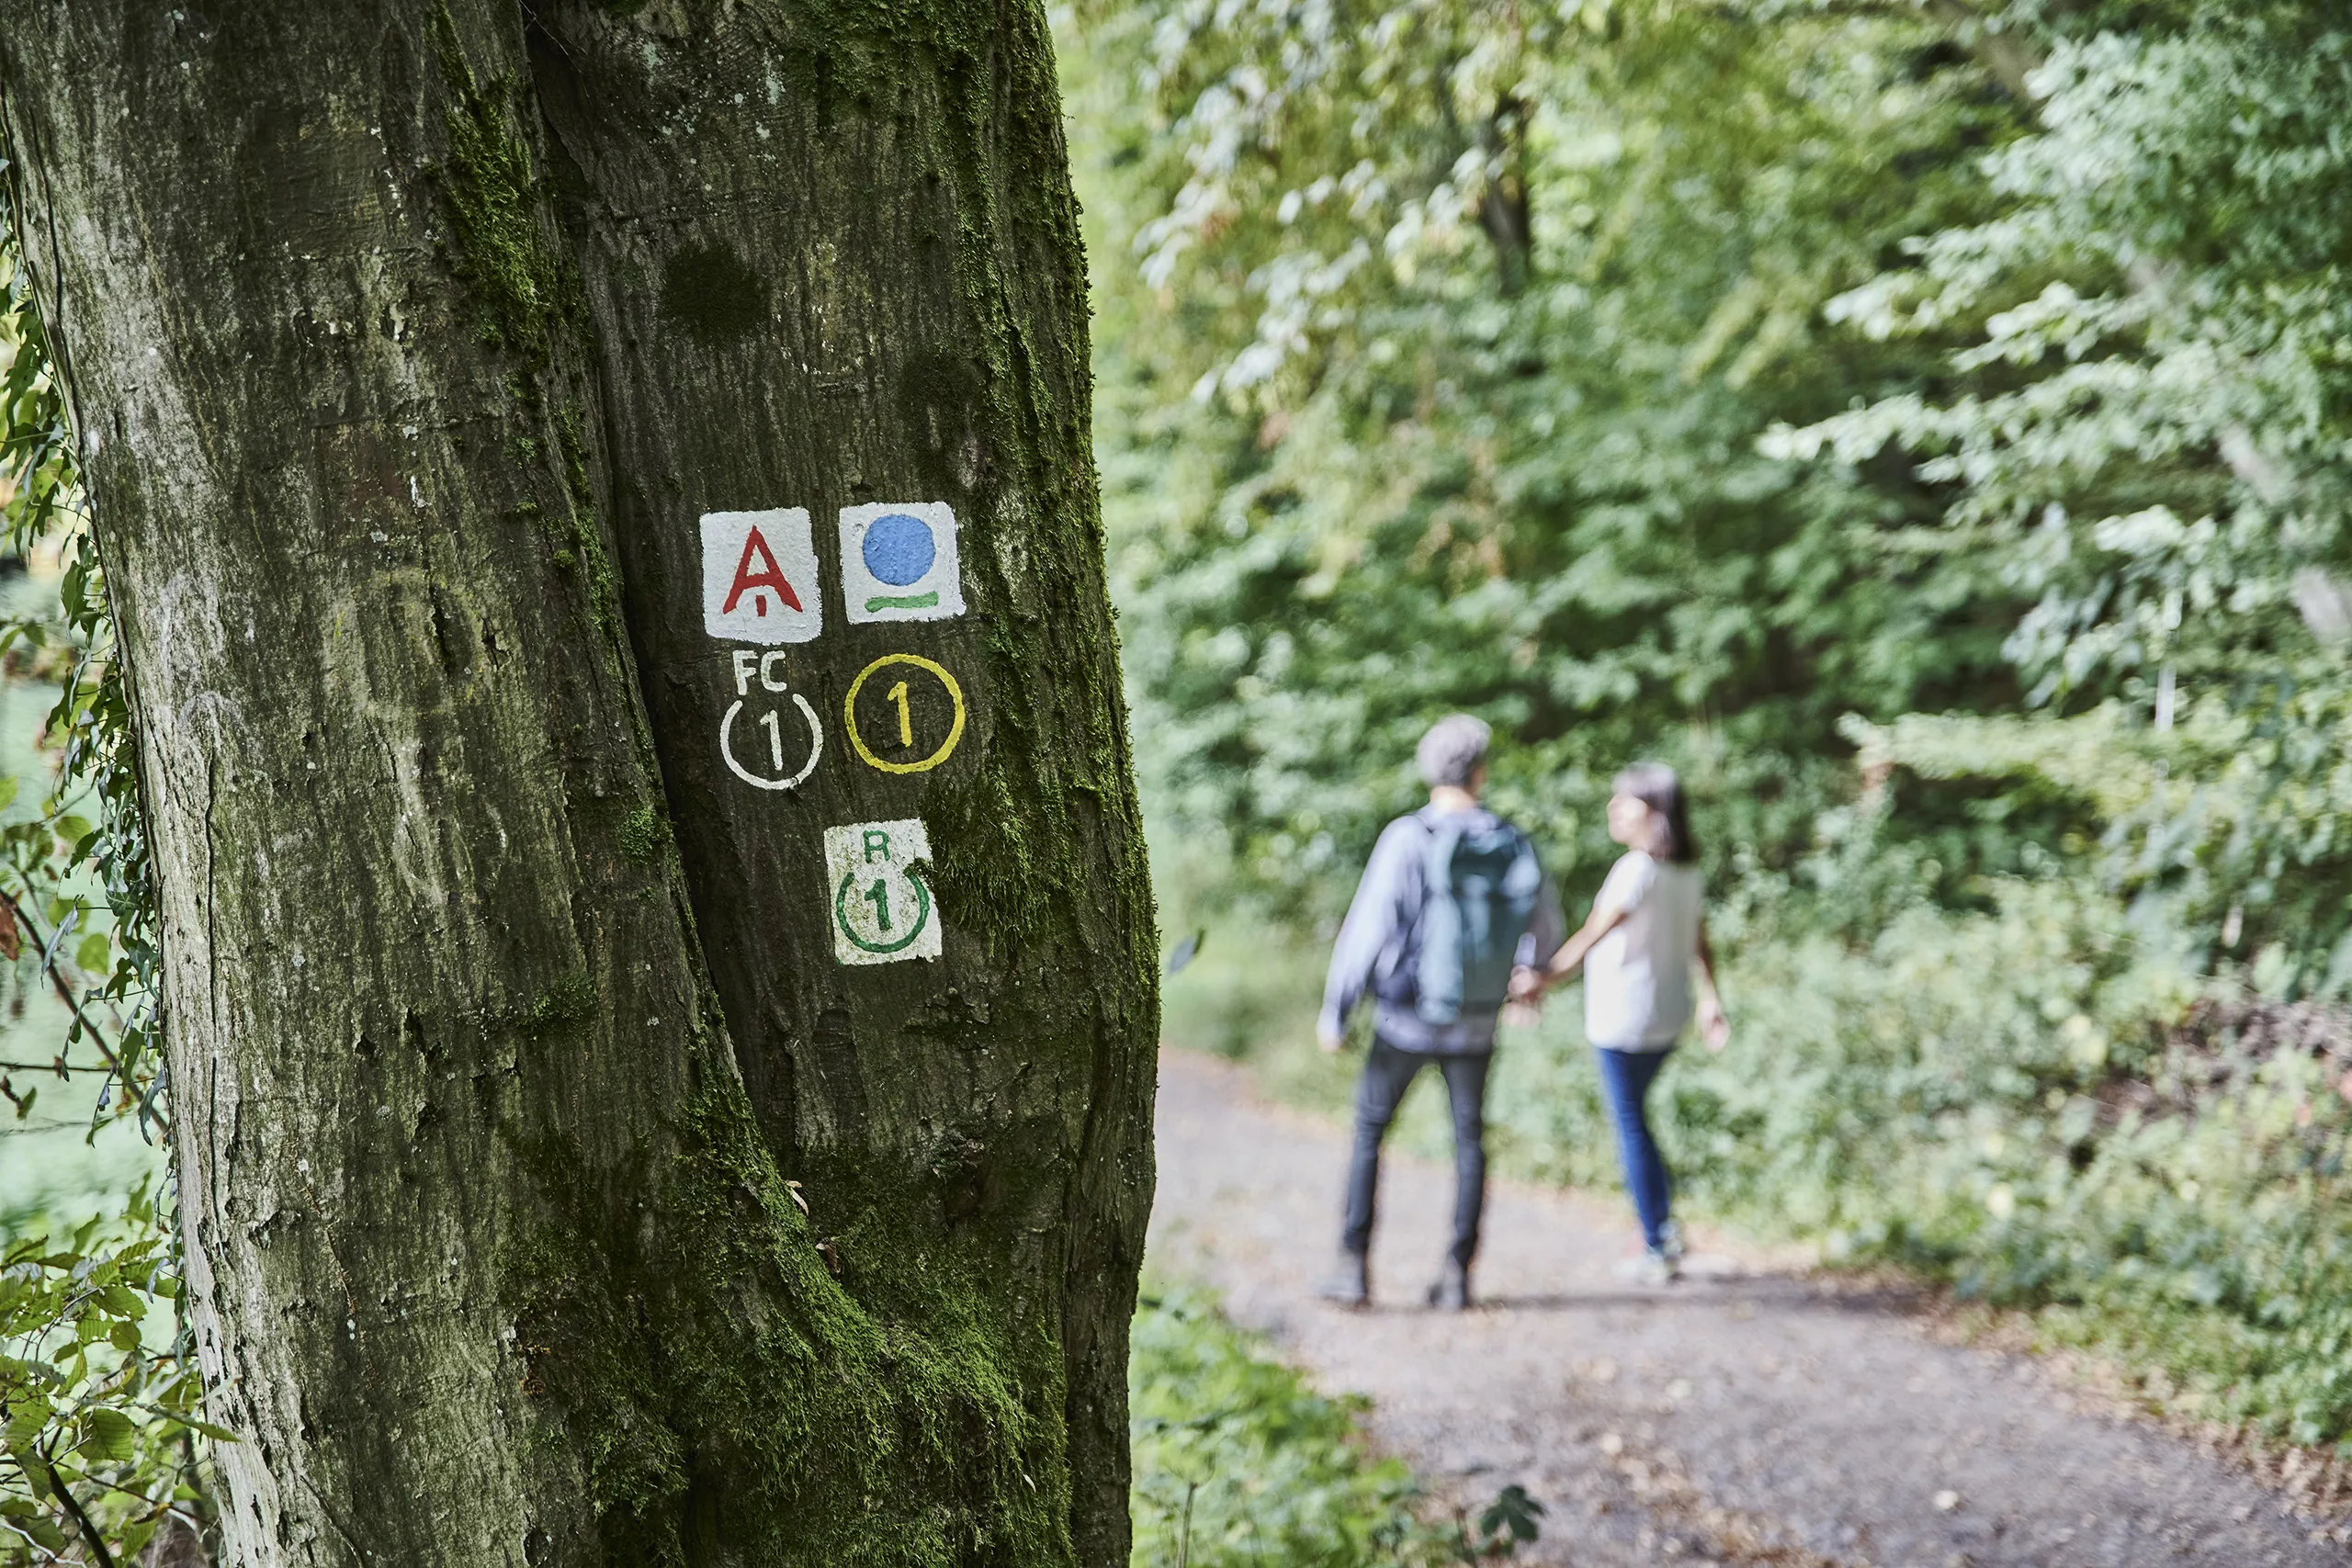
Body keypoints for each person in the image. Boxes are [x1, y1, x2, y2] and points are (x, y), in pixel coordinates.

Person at [1314, 715, 1563, 1312]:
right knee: (1469, 1142)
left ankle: (1353, 1268)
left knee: (1371, 1133)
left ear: (1430, 769)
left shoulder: (1409, 836)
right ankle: (1456, 1275)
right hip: (1477, 1021)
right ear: (1480, 772)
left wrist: (1336, 1010)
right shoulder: (1510, 839)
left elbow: (1368, 929)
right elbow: (1546, 921)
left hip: (1404, 1020)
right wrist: (1530, 980)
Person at [1513, 762, 1728, 1284]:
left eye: (1624, 801)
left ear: (1653, 813)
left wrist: (1539, 979)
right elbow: (1700, 940)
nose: (1613, 809)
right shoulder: (1684, 871)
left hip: (1624, 1020)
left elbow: (1592, 934)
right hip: (1667, 1015)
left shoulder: (1635, 870)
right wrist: (1710, 997)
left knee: (1631, 1125)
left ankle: (1656, 1240)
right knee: (1639, 1121)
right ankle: (1659, 1227)